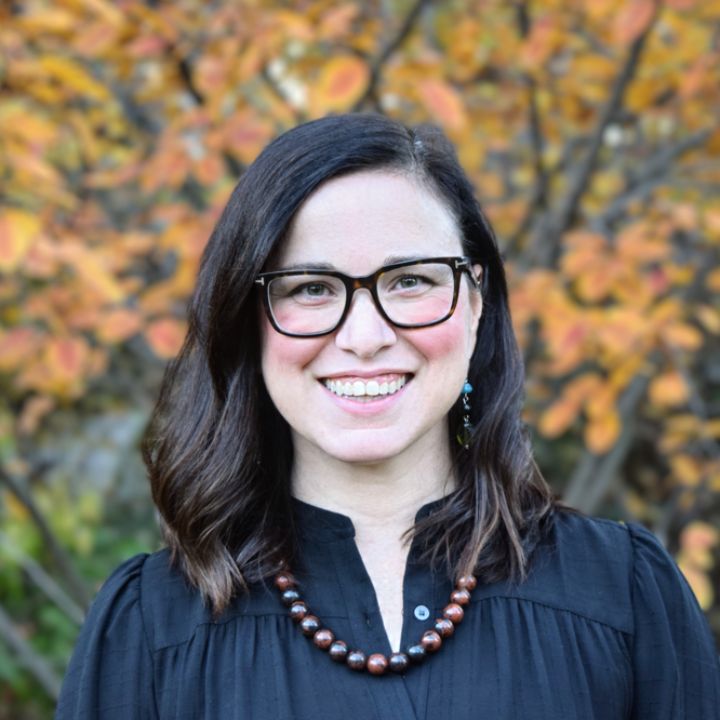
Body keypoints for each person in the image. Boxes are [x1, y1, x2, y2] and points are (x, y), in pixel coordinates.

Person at [55, 113, 720, 719]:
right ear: (248, 320)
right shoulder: (148, 626)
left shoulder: (625, 593)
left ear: (474, 301)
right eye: (311, 289)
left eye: (410, 281)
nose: (365, 335)